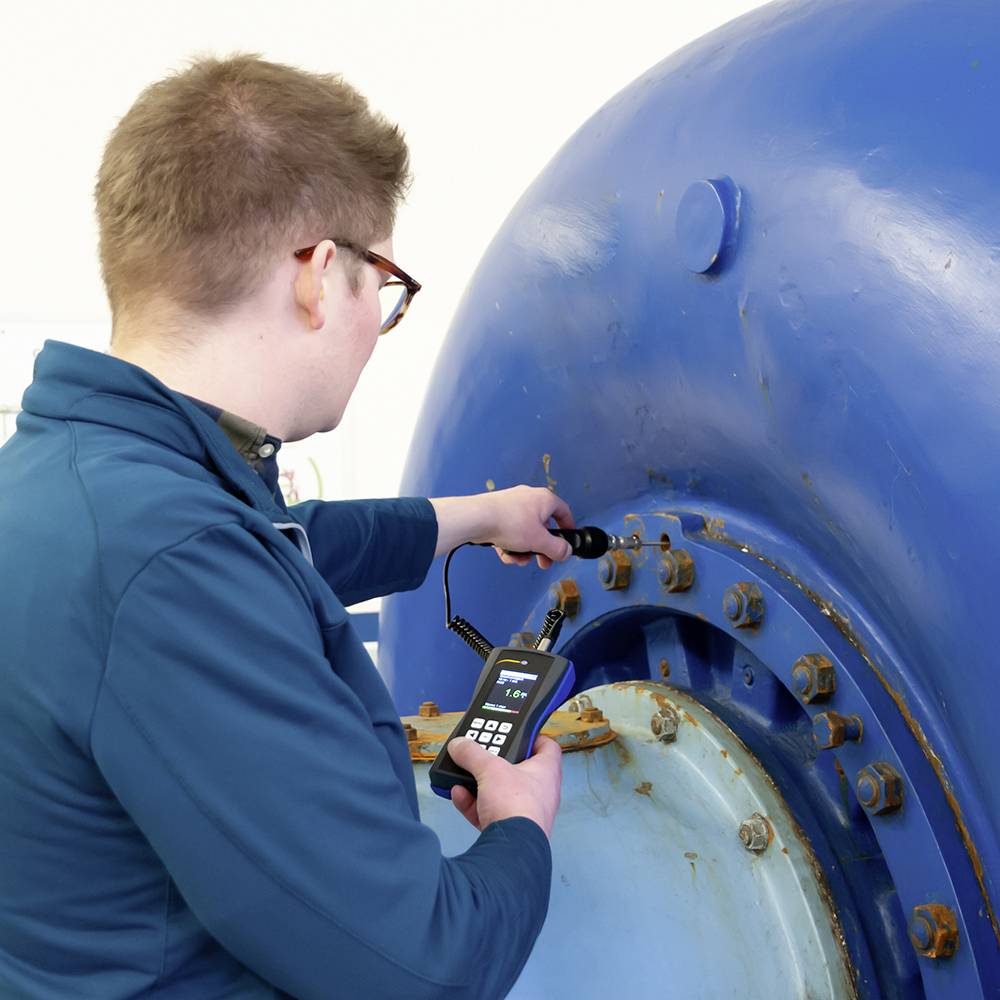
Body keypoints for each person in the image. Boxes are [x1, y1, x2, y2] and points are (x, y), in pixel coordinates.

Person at [0, 53, 576, 999]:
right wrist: (521, 827)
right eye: (379, 284)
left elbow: (286, 545)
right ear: (317, 276)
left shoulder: (80, 481)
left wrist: (475, 518)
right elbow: (419, 969)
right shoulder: (168, 561)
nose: (372, 323)